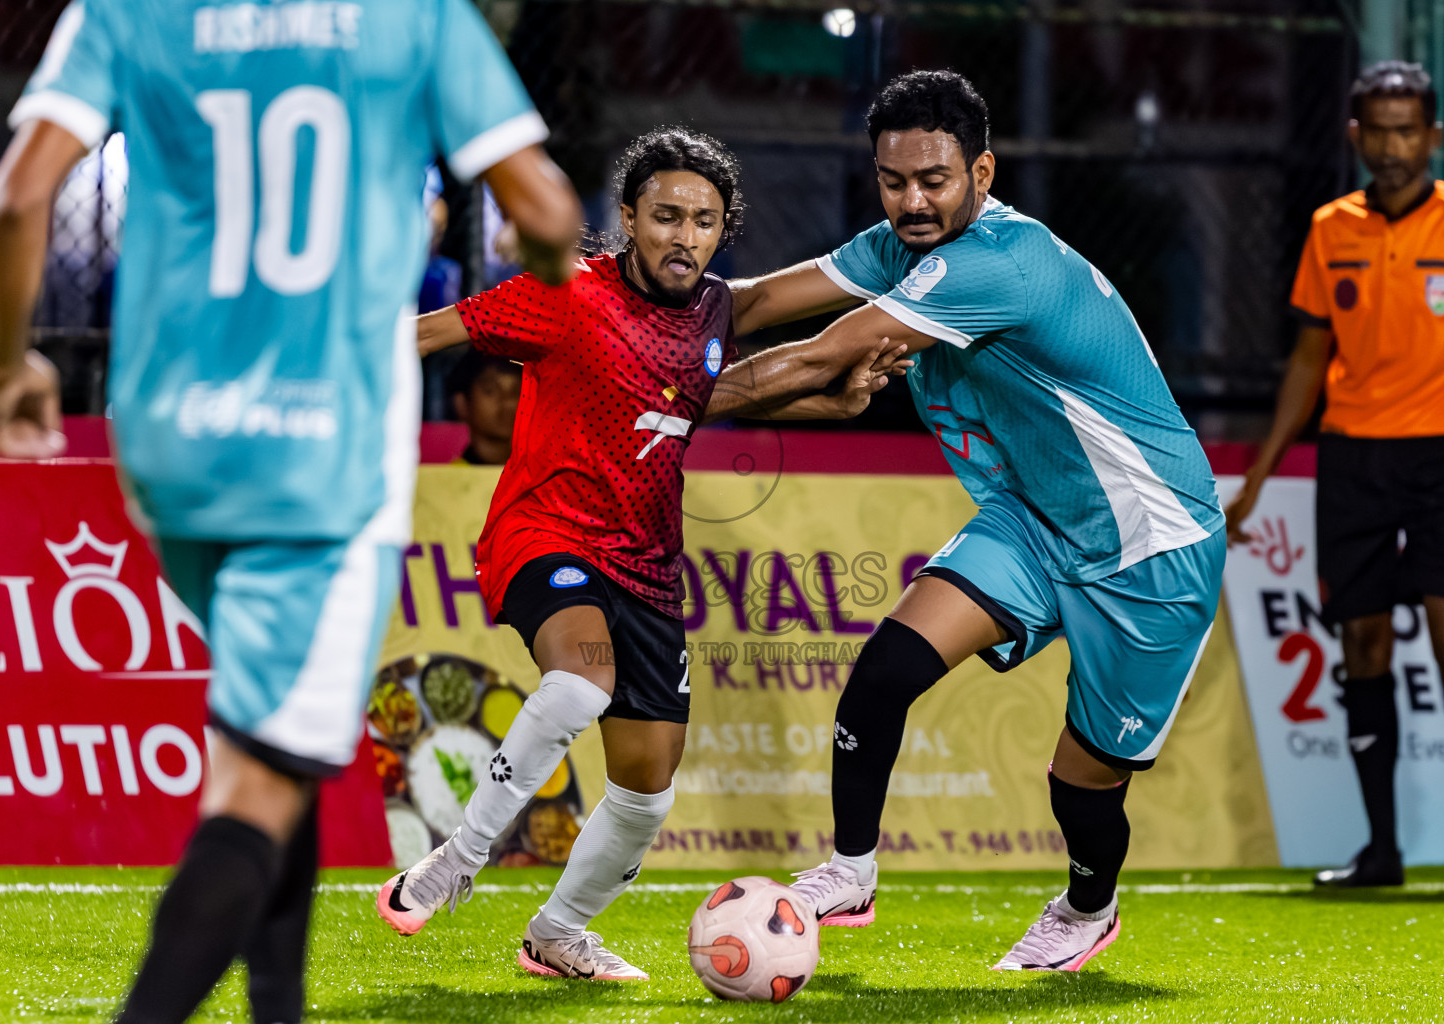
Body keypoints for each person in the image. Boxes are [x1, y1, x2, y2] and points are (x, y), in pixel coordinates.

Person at [0, 2, 582, 1020]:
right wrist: (556, 261)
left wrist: (6, 364)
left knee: (274, 730)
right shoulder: (417, 21)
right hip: (323, 460)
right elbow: (550, 215)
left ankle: (280, 1004)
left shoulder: (125, 13)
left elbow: (14, 198)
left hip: (168, 444)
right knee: (260, 777)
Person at [712, 69, 1225, 971]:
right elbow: (750, 304)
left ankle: (1087, 904)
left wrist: (658, 398)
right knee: (884, 671)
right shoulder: (901, 247)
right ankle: (852, 868)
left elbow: (815, 360)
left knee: (1083, 786)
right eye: (893, 178)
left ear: (981, 174)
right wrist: (618, 303)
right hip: (1034, 518)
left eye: (934, 180)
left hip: (1151, 544)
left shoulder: (999, 263)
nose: (911, 201)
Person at [377, 127, 901, 980]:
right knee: (582, 678)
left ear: (720, 231)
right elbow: (429, 334)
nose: (683, 236)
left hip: (649, 565)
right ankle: (454, 861)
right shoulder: (566, 291)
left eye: (702, 221)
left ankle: (556, 935)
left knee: (646, 788)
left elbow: (733, 374)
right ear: (627, 218)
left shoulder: (716, 311)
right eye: (665, 217)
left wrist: (833, 402)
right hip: (543, 533)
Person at [1225, 62, 1444, 887]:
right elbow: (1310, 358)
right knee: (1364, 644)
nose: (1392, 146)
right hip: (1353, 457)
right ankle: (1380, 850)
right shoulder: (1329, 228)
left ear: (1435, 137)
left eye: (1407, 129)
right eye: (1377, 130)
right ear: (1356, 135)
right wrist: (1263, 472)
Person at [447, 350, 523, 465]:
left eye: (516, 392)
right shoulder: (449, 479)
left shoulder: (543, 478)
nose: (508, 403)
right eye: (490, 390)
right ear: (462, 403)